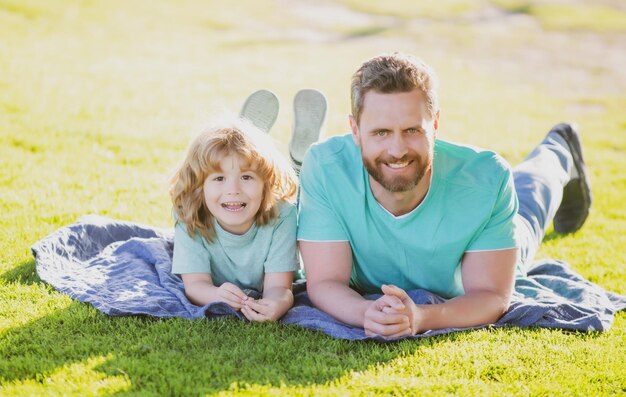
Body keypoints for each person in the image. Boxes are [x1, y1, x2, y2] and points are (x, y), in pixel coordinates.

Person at [297, 52, 592, 338]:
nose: (397, 150)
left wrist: (423, 317)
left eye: (412, 130)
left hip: (479, 238)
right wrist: (365, 312)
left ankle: (559, 149)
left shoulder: (486, 180)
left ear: (434, 125)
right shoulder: (326, 167)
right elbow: (325, 282)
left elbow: (490, 295)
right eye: (381, 132)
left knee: (530, 205)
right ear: (355, 130)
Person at [169, 115, 300, 322]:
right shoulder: (189, 213)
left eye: (246, 177)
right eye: (219, 178)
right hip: (216, 280)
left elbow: (279, 287)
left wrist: (275, 304)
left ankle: (301, 161)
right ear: (199, 186)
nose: (233, 191)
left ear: (265, 183)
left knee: (301, 196)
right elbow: (195, 285)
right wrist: (215, 295)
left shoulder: (282, 214)